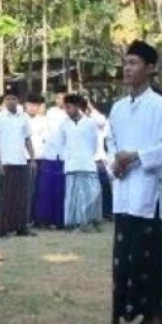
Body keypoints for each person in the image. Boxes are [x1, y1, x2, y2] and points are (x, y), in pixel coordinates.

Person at [109, 40, 162, 324]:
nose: (127, 68)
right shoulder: (117, 108)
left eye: (134, 63)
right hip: (124, 191)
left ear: (151, 68)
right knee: (127, 255)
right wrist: (115, 162)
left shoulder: (159, 106)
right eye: (126, 63)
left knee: (151, 256)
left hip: (151, 193)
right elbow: (110, 142)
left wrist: (138, 156)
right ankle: (137, 312)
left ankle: (156, 317)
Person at [0, 86, 35, 238]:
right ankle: (3, 229)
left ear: (18, 100)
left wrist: (32, 158)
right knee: (5, 198)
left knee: (21, 197)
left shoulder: (23, 117)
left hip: (21, 161)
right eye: (8, 99)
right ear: (4, 101)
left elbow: (28, 139)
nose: (11, 101)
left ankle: (21, 227)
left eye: (14, 98)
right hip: (6, 162)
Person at [58, 95, 102, 231]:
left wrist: (91, 156)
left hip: (87, 163)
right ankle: (73, 223)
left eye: (69, 107)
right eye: (65, 107)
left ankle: (91, 221)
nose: (67, 110)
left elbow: (95, 144)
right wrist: (66, 157)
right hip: (71, 165)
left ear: (77, 106)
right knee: (73, 196)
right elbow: (61, 144)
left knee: (92, 194)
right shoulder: (64, 124)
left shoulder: (90, 123)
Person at [29, 91, 64, 229]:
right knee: (37, 190)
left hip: (56, 157)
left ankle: (52, 219)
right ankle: (36, 218)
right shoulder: (49, 115)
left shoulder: (65, 116)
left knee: (51, 191)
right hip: (41, 157)